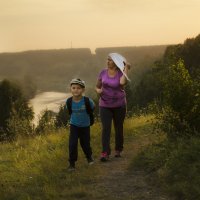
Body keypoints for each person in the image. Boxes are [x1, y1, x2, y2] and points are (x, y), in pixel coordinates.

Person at [95, 53, 131, 161]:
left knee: (118, 127)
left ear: (116, 62)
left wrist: (126, 69)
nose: (108, 61)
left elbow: (122, 82)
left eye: (110, 60)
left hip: (119, 105)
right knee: (106, 128)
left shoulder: (121, 73)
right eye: (107, 59)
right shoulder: (102, 72)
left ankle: (118, 149)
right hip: (105, 104)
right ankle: (105, 152)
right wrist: (98, 91)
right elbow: (97, 86)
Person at [66, 78, 95, 171]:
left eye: (78, 88)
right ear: (70, 89)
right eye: (73, 88)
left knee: (85, 143)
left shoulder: (87, 101)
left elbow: (92, 108)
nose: (76, 90)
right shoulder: (69, 101)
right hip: (74, 125)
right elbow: (70, 111)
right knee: (72, 144)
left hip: (85, 126)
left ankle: (89, 157)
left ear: (83, 90)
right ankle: (72, 163)